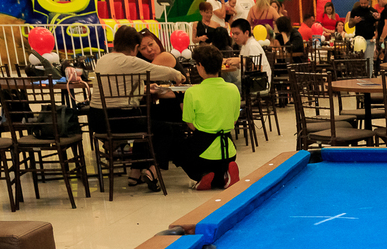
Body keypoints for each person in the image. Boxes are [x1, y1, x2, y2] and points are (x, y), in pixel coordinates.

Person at [89, 25, 184, 191]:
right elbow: (160, 71)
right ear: (135, 47)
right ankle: (153, 171)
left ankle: (134, 174)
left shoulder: (102, 60)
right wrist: (179, 75)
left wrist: (144, 88)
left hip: (97, 120)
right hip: (120, 120)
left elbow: (119, 89)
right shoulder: (130, 61)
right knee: (165, 129)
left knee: (146, 123)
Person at [150, 44, 241, 191]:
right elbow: (234, 120)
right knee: (218, 161)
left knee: (177, 149)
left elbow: (190, 124)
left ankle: (201, 175)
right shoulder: (233, 89)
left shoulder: (193, 92)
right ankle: (224, 175)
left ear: (200, 65)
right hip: (229, 150)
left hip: (203, 152)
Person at [224, 18, 272, 89]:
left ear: (246, 33)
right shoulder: (245, 45)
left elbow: (258, 68)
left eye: (237, 34)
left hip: (259, 83)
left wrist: (240, 60)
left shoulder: (252, 45)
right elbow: (241, 65)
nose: (234, 37)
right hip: (249, 80)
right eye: (233, 34)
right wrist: (228, 61)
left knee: (227, 82)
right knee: (227, 76)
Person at [349, 0, 378, 73]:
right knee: (357, 61)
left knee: (369, 60)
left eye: (365, 3)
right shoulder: (355, 10)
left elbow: (378, 25)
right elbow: (350, 25)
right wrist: (354, 21)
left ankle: (369, 77)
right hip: (358, 40)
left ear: (368, 1)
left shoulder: (372, 11)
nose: (363, 5)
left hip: (369, 39)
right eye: (361, 3)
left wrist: (376, 35)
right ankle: (358, 77)